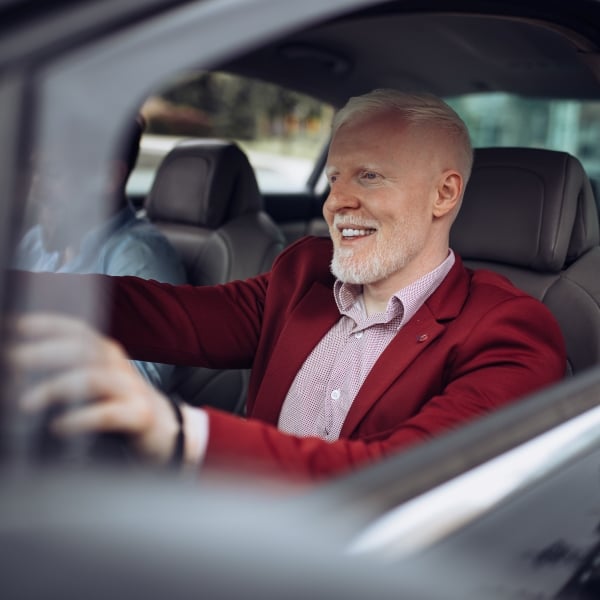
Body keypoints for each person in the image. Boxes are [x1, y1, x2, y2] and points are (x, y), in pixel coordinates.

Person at [9, 89, 566, 482]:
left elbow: (402, 478)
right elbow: (170, 314)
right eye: (335, 177)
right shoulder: (304, 275)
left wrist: (177, 432)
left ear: (444, 195)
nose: (336, 202)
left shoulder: (509, 330)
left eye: (369, 175)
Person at [12, 115, 187, 392]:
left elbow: (137, 388)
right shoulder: (34, 243)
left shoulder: (138, 257)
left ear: (107, 177)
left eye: (53, 173)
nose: (37, 188)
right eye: (35, 171)